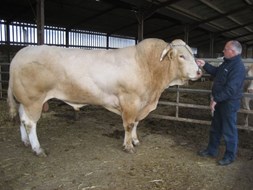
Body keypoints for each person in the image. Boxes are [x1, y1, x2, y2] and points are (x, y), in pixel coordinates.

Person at [196, 40, 246, 166]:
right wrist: (205, 64)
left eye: (225, 49)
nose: (223, 51)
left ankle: (230, 156)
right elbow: (217, 72)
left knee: (229, 130)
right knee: (215, 128)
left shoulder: (238, 67)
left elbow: (231, 89)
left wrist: (215, 99)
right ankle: (211, 150)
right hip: (220, 101)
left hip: (229, 103)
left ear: (233, 52)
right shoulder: (227, 63)